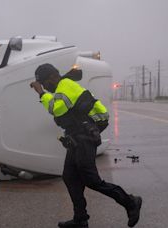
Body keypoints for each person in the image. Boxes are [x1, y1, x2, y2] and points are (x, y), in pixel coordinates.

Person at [30, 63, 142, 228]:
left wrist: (41, 93)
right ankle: (80, 219)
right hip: (77, 137)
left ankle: (131, 202)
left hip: (85, 137)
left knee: (91, 180)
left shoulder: (65, 85)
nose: (46, 87)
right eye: (44, 85)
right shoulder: (63, 86)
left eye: (46, 83)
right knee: (69, 177)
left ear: (53, 77)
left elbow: (56, 108)